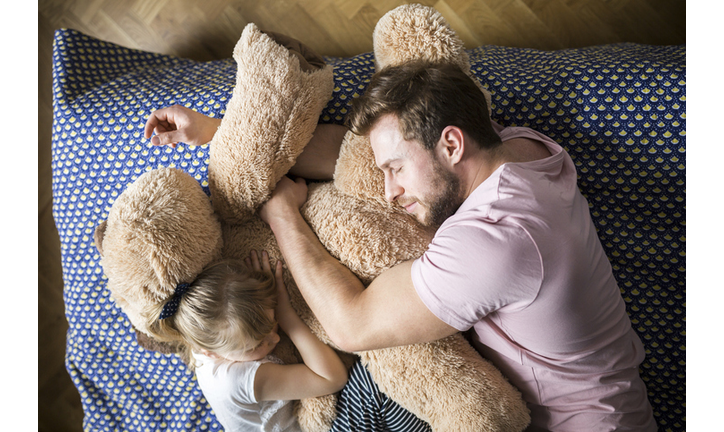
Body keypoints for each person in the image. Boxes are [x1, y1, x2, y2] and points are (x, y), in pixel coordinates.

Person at [257, 61, 658, 431]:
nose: (389, 191)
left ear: (452, 144)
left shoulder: (493, 240)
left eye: (396, 169)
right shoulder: (523, 148)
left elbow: (353, 325)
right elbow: (350, 158)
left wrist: (281, 216)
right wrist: (236, 143)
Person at [147, 251, 348, 432]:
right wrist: (287, 317)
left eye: (273, 322)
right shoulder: (237, 380)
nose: (276, 338)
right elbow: (333, 378)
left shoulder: (208, 339)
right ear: (211, 353)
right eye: (257, 345)